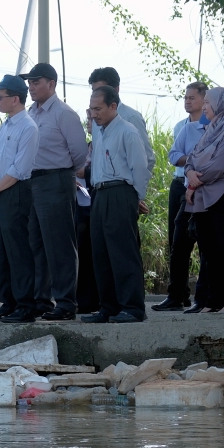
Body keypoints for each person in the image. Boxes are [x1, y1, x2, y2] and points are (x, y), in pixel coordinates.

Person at [20, 62, 87, 321]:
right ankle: (41, 300)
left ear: (51, 84)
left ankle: (66, 303)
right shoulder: (31, 113)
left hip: (56, 180)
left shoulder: (64, 113)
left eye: (36, 82)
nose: (31, 87)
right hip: (32, 182)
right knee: (36, 243)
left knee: (59, 244)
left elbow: (79, 153)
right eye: (30, 82)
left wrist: (62, 173)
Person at [81, 85, 150, 324]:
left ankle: (132, 307)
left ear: (113, 106)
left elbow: (140, 168)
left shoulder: (127, 131)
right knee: (100, 253)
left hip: (120, 193)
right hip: (99, 195)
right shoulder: (99, 132)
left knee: (123, 252)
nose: (93, 114)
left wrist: (135, 198)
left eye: (98, 109)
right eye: (91, 109)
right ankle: (108, 307)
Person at [183, 87, 224, 313]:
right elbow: (191, 158)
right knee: (209, 251)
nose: (204, 107)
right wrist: (189, 173)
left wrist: (193, 181)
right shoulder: (211, 128)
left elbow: (221, 164)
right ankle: (213, 301)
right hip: (203, 196)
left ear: (220, 104)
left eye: (208, 103)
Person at [0, 75, 40, 323]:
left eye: (0, 96)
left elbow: (19, 168)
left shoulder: (28, 127)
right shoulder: (6, 125)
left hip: (14, 192)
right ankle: (8, 303)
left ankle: (25, 305)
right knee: (1, 250)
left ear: (15, 99)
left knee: (18, 250)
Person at [154, 81, 208, 311]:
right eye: (185, 97)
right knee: (176, 242)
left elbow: (207, 158)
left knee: (204, 241)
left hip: (202, 187)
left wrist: (192, 159)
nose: (187, 101)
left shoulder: (211, 127)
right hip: (179, 184)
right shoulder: (181, 127)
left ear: (205, 101)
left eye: (192, 98)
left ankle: (205, 297)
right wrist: (193, 159)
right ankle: (177, 294)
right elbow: (174, 155)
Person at [87, 67, 156, 173]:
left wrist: (134, 188)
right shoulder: (96, 121)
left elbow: (147, 159)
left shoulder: (131, 118)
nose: (96, 95)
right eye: (94, 91)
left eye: (101, 91)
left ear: (116, 90)